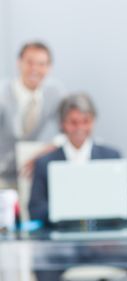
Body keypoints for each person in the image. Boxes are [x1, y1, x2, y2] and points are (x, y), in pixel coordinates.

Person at [28, 92, 121, 225]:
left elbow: (123, 206)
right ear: (62, 124)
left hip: (101, 241)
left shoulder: (112, 157)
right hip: (58, 239)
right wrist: (67, 213)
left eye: (86, 121)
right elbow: (35, 209)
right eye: (73, 122)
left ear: (93, 121)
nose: (80, 128)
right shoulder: (45, 163)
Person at [0, 41, 65, 189]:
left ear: (49, 68)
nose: (35, 69)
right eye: (30, 62)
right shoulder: (2, 94)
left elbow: (69, 127)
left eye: (41, 64)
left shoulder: (54, 93)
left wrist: (51, 146)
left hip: (29, 170)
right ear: (19, 63)